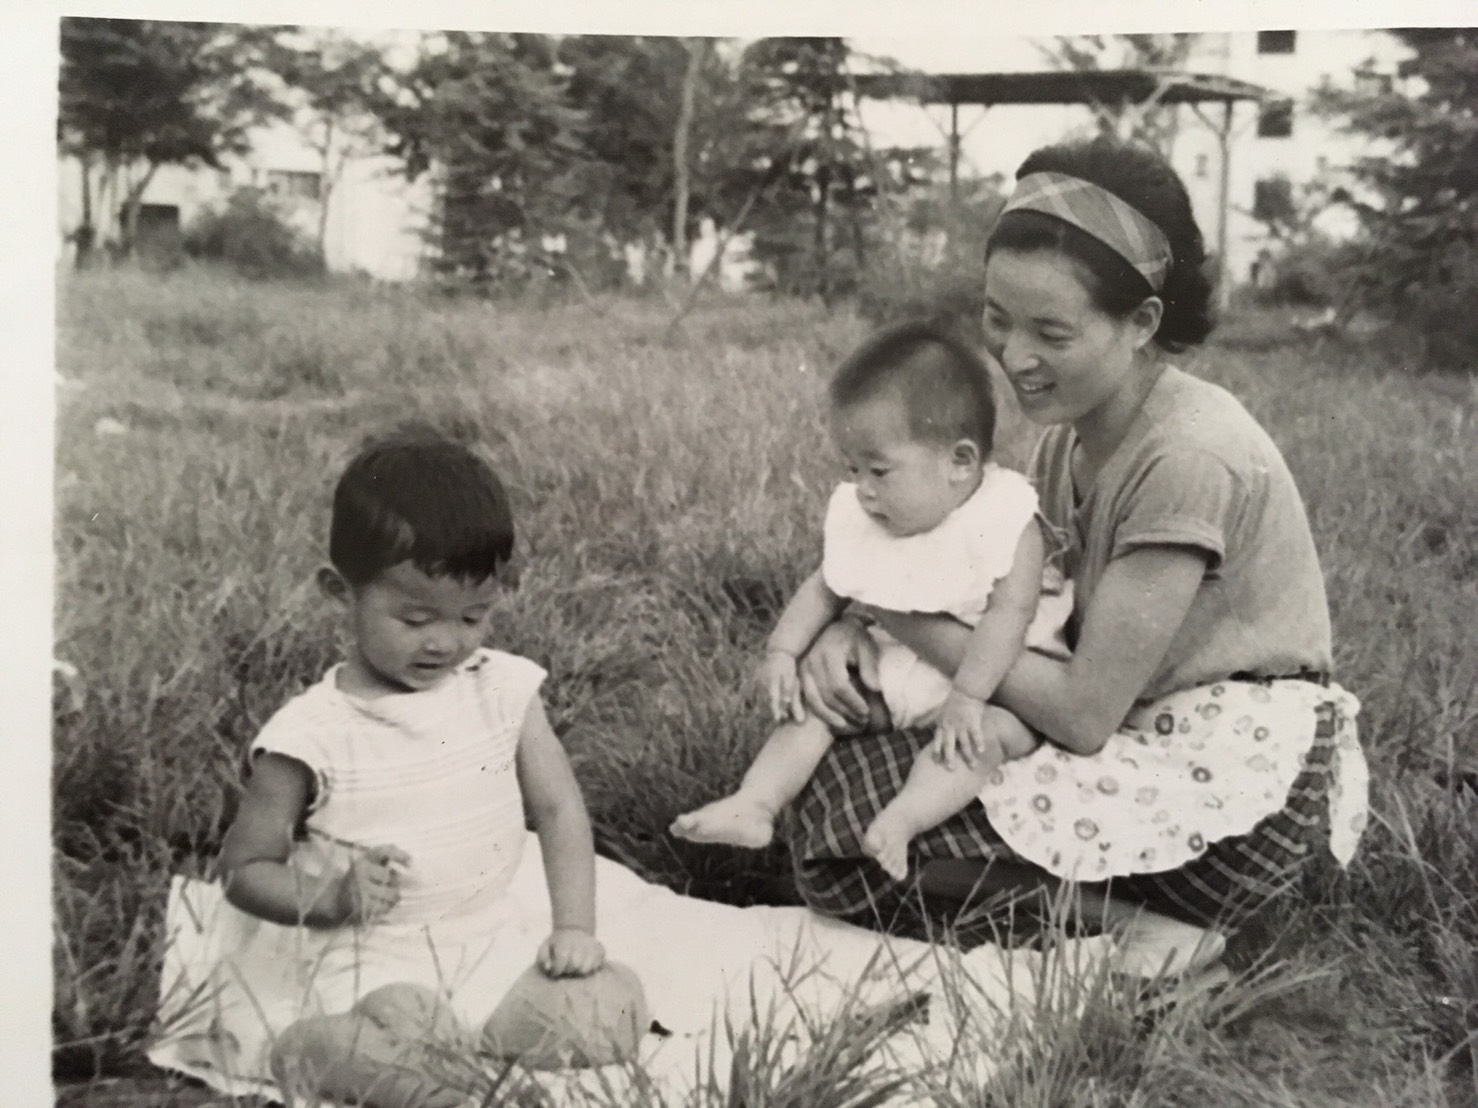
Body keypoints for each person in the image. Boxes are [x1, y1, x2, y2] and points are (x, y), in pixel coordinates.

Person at [786, 138, 1369, 980]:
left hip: (1229, 779)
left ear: (1141, 324)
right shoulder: (1075, 438)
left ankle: (1146, 928)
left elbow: (1084, 712)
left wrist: (895, 614)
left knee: (843, 848)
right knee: (833, 781)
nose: (1013, 356)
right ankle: (1106, 909)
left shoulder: (1188, 457)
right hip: (1136, 727)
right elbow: (1005, 592)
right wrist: (848, 626)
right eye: (997, 317)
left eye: (1050, 331)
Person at [194, 431, 619, 1107]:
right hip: (374, 959)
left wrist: (573, 928)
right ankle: (453, 1085)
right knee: (399, 1029)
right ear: (341, 592)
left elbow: (559, 810)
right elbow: (243, 872)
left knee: (609, 1014)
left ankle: (453, 1074)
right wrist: (332, 900)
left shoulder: (503, 688)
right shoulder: (311, 735)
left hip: (489, 937)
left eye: (473, 616)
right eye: (415, 617)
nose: (447, 641)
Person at [671, 322, 1074, 882]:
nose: (862, 489)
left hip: (991, 681)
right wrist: (782, 652)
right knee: (818, 710)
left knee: (986, 739)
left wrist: (967, 695)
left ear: (959, 461)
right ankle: (756, 803)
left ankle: (904, 820)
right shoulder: (875, 514)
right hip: (900, 669)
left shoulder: (1007, 521)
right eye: (852, 470)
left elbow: (1011, 616)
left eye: (878, 470)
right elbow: (826, 584)